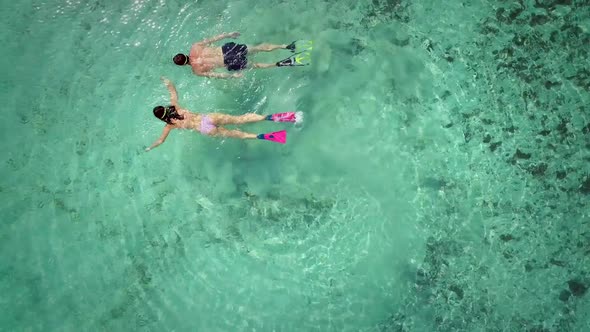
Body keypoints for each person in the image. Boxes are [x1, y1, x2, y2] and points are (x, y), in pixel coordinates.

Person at [145, 77, 302, 151]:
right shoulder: (176, 107)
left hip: (205, 129)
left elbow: (160, 141)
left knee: (240, 135)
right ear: (165, 108)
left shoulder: (169, 126)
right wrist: (166, 81)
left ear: (161, 117)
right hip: (208, 118)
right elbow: (173, 90)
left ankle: (273, 136)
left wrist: (150, 147)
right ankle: (279, 117)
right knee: (241, 119)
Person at [172, 32, 301, 78]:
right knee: (258, 48)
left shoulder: (197, 70)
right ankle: (285, 46)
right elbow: (213, 39)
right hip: (228, 49)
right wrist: (228, 34)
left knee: (255, 65)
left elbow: (216, 75)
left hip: (229, 62)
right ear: (184, 54)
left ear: (183, 65)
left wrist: (232, 76)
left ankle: (279, 63)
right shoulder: (195, 47)